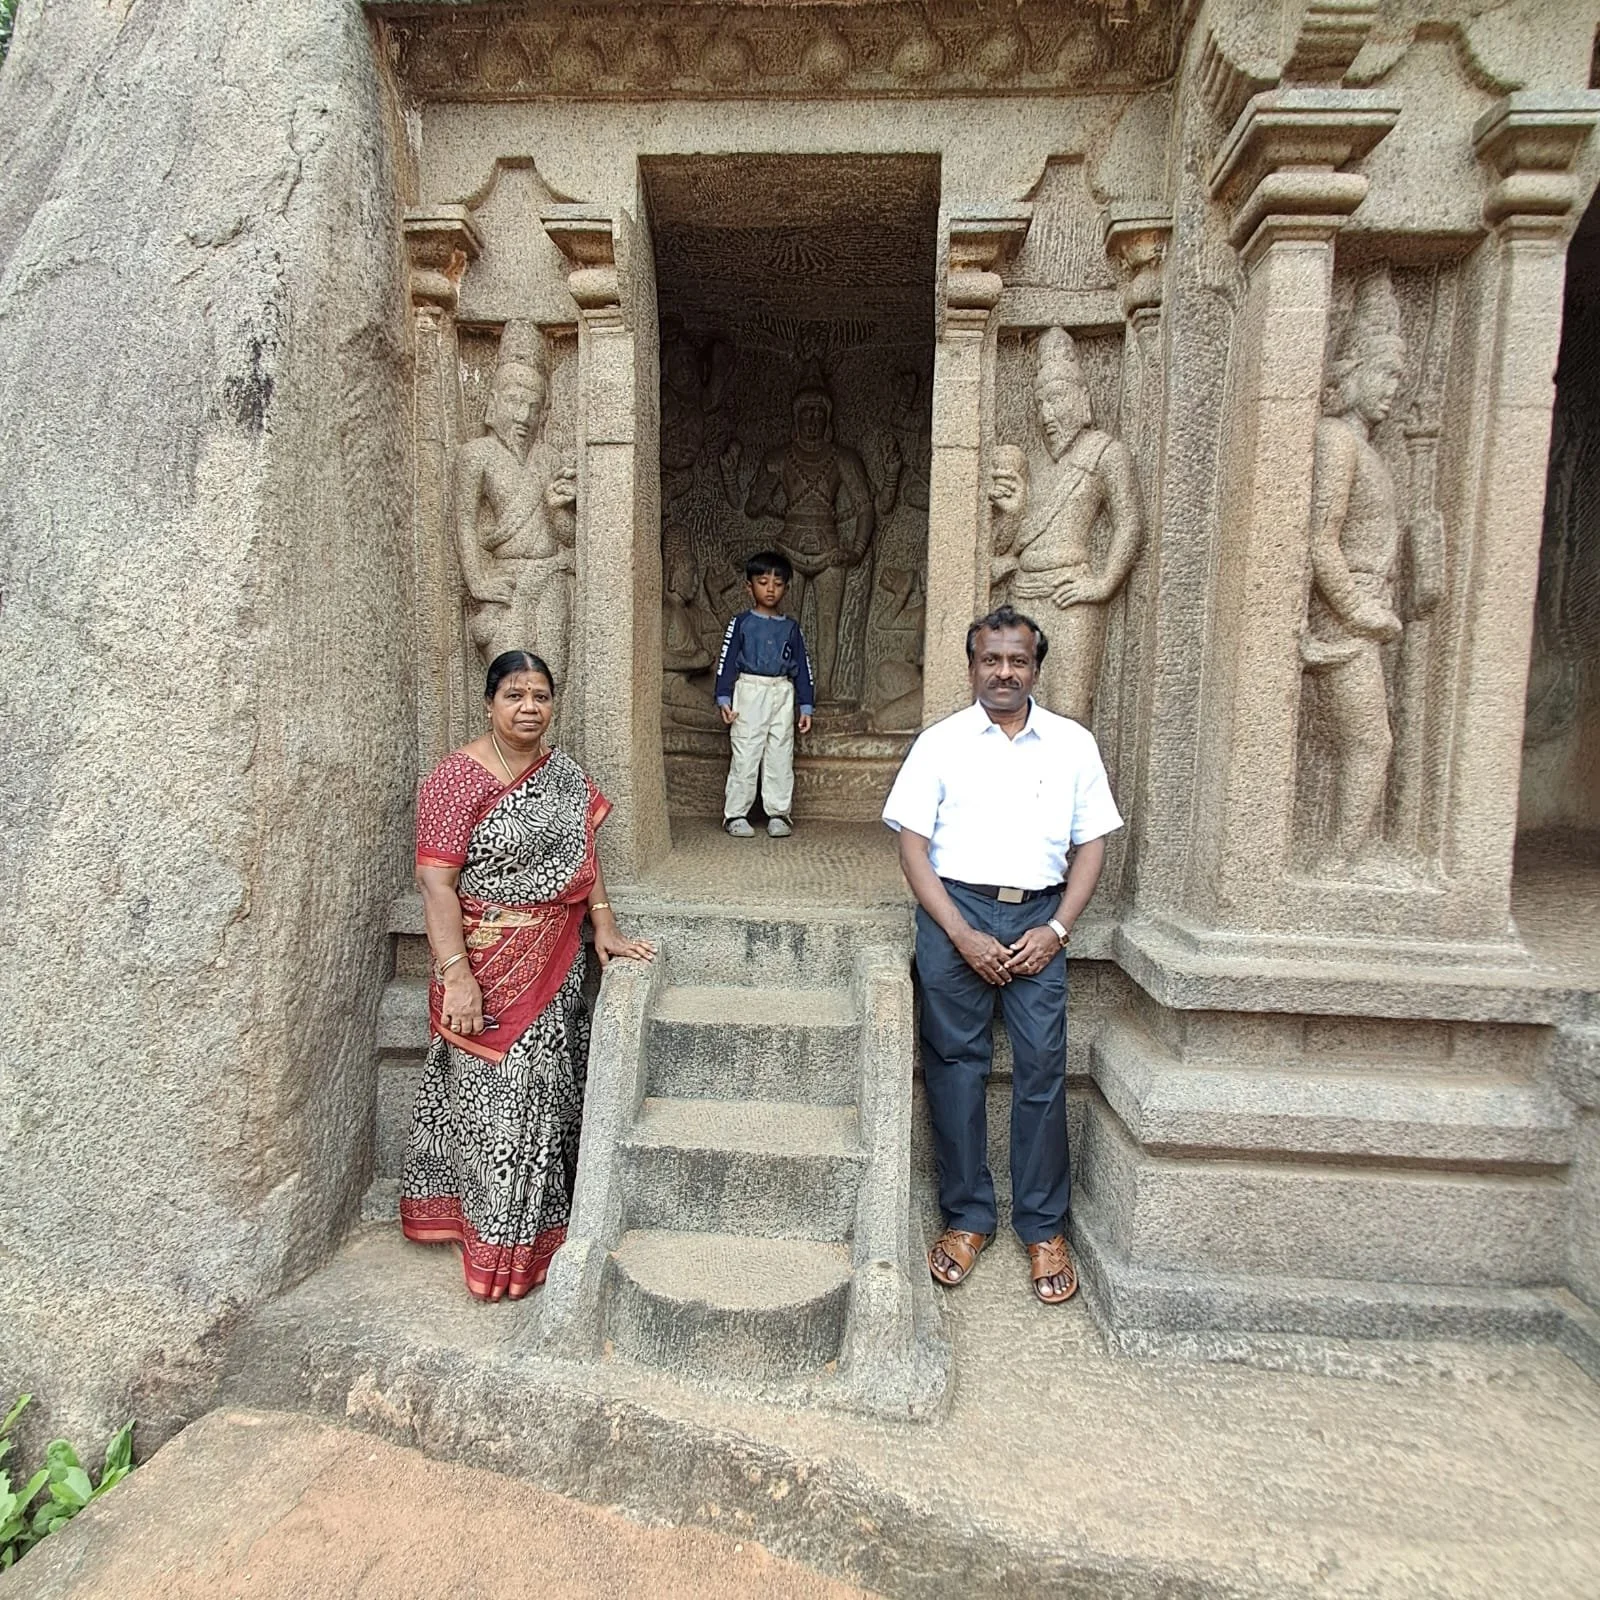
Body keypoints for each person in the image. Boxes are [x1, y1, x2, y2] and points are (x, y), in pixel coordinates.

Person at [881, 607, 1122, 1304]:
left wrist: (1059, 930)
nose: (1005, 672)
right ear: (972, 667)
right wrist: (960, 934)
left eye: (1018, 660)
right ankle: (966, 1218)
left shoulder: (1073, 745)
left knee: (1042, 1067)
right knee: (955, 1068)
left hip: (1040, 919)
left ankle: (1043, 1228)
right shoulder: (940, 744)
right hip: (953, 912)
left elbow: (1092, 846)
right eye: (992, 660)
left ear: (1035, 668)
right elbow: (913, 849)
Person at [401, 651, 654, 1301]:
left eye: (540, 696)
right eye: (515, 695)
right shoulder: (457, 778)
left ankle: (536, 1242)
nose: (529, 708)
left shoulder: (562, 774)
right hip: (484, 966)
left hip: (554, 961)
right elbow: (435, 883)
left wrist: (605, 925)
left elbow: (584, 856)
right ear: (490, 703)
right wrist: (458, 977)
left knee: (547, 1101)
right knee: (495, 1109)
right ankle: (492, 1247)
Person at [989, 326, 1143, 724]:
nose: (1047, 414)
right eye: (1040, 403)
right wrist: (1012, 512)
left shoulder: (1106, 453)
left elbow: (1129, 523)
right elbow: (1005, 546)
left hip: (1072, 593)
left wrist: (1104, 583)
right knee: (1021, 706)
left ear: (1083, 398)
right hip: (1025, 592)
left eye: (1056, 399)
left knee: (1069, 711)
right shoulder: (1032, 463)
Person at [714, 550, 816, 839]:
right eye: (763, 582)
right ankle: (735, 814)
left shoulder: (791, 628)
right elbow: (726, 660)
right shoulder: (741, 623)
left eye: (778, 583)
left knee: (780, 753)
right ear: (749, 586)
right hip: (749, 690)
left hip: (782, 691)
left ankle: (779, 813)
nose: (770, 589)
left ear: (786, 588)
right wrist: (724, 697)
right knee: (746, 751)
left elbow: (803, 667)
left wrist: (806, 705)